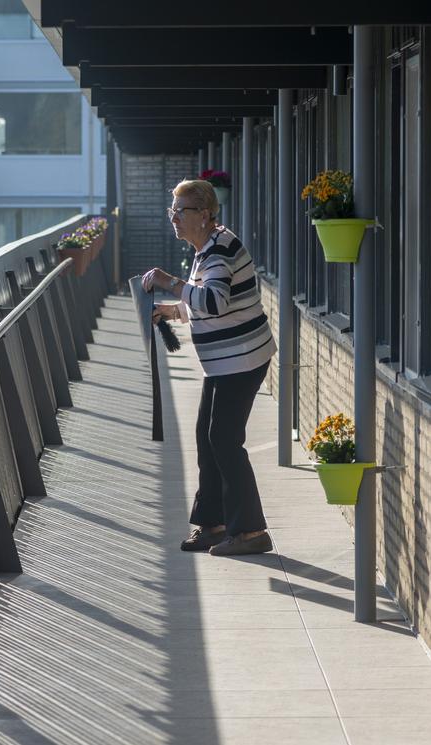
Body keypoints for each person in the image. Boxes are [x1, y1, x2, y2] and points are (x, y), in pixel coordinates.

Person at [141, 179, 277, 557]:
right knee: (207, 435)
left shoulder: (219, 251)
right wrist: (175, 310)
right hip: (226, 362)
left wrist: (171, 283)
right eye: (172, 211)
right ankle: (214, 524)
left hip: (242, 359)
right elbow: (209, 299)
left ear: (204, 214)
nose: (173, 219)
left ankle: (250, 532)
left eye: (180, 211)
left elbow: (214, 301)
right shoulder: (208, 247)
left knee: (224, 440)